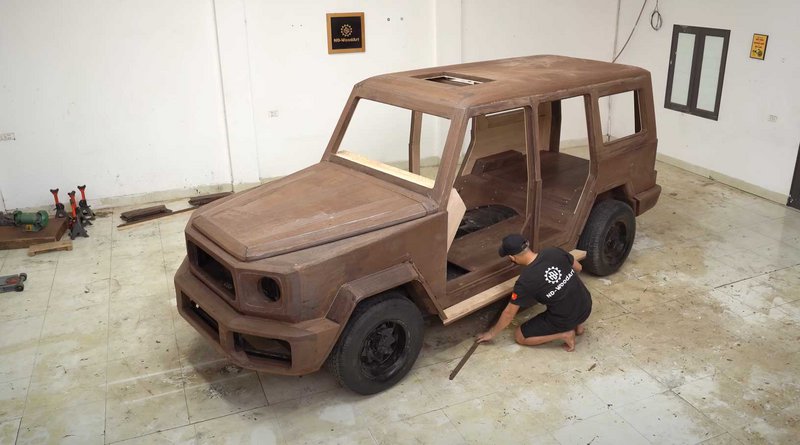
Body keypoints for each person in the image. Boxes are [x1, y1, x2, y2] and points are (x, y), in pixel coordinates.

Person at [476, 234, 592, 352]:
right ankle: (579, 325)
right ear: (527, 245)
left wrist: (491, 333)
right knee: (569, 295)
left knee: (520, 336)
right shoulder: (553, 251)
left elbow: (509, 314)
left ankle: (565, 334)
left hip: (565, 318)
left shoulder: (525, 281)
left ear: (512, 257)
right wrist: (562, 283)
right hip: (586, 304)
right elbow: (579, 267)